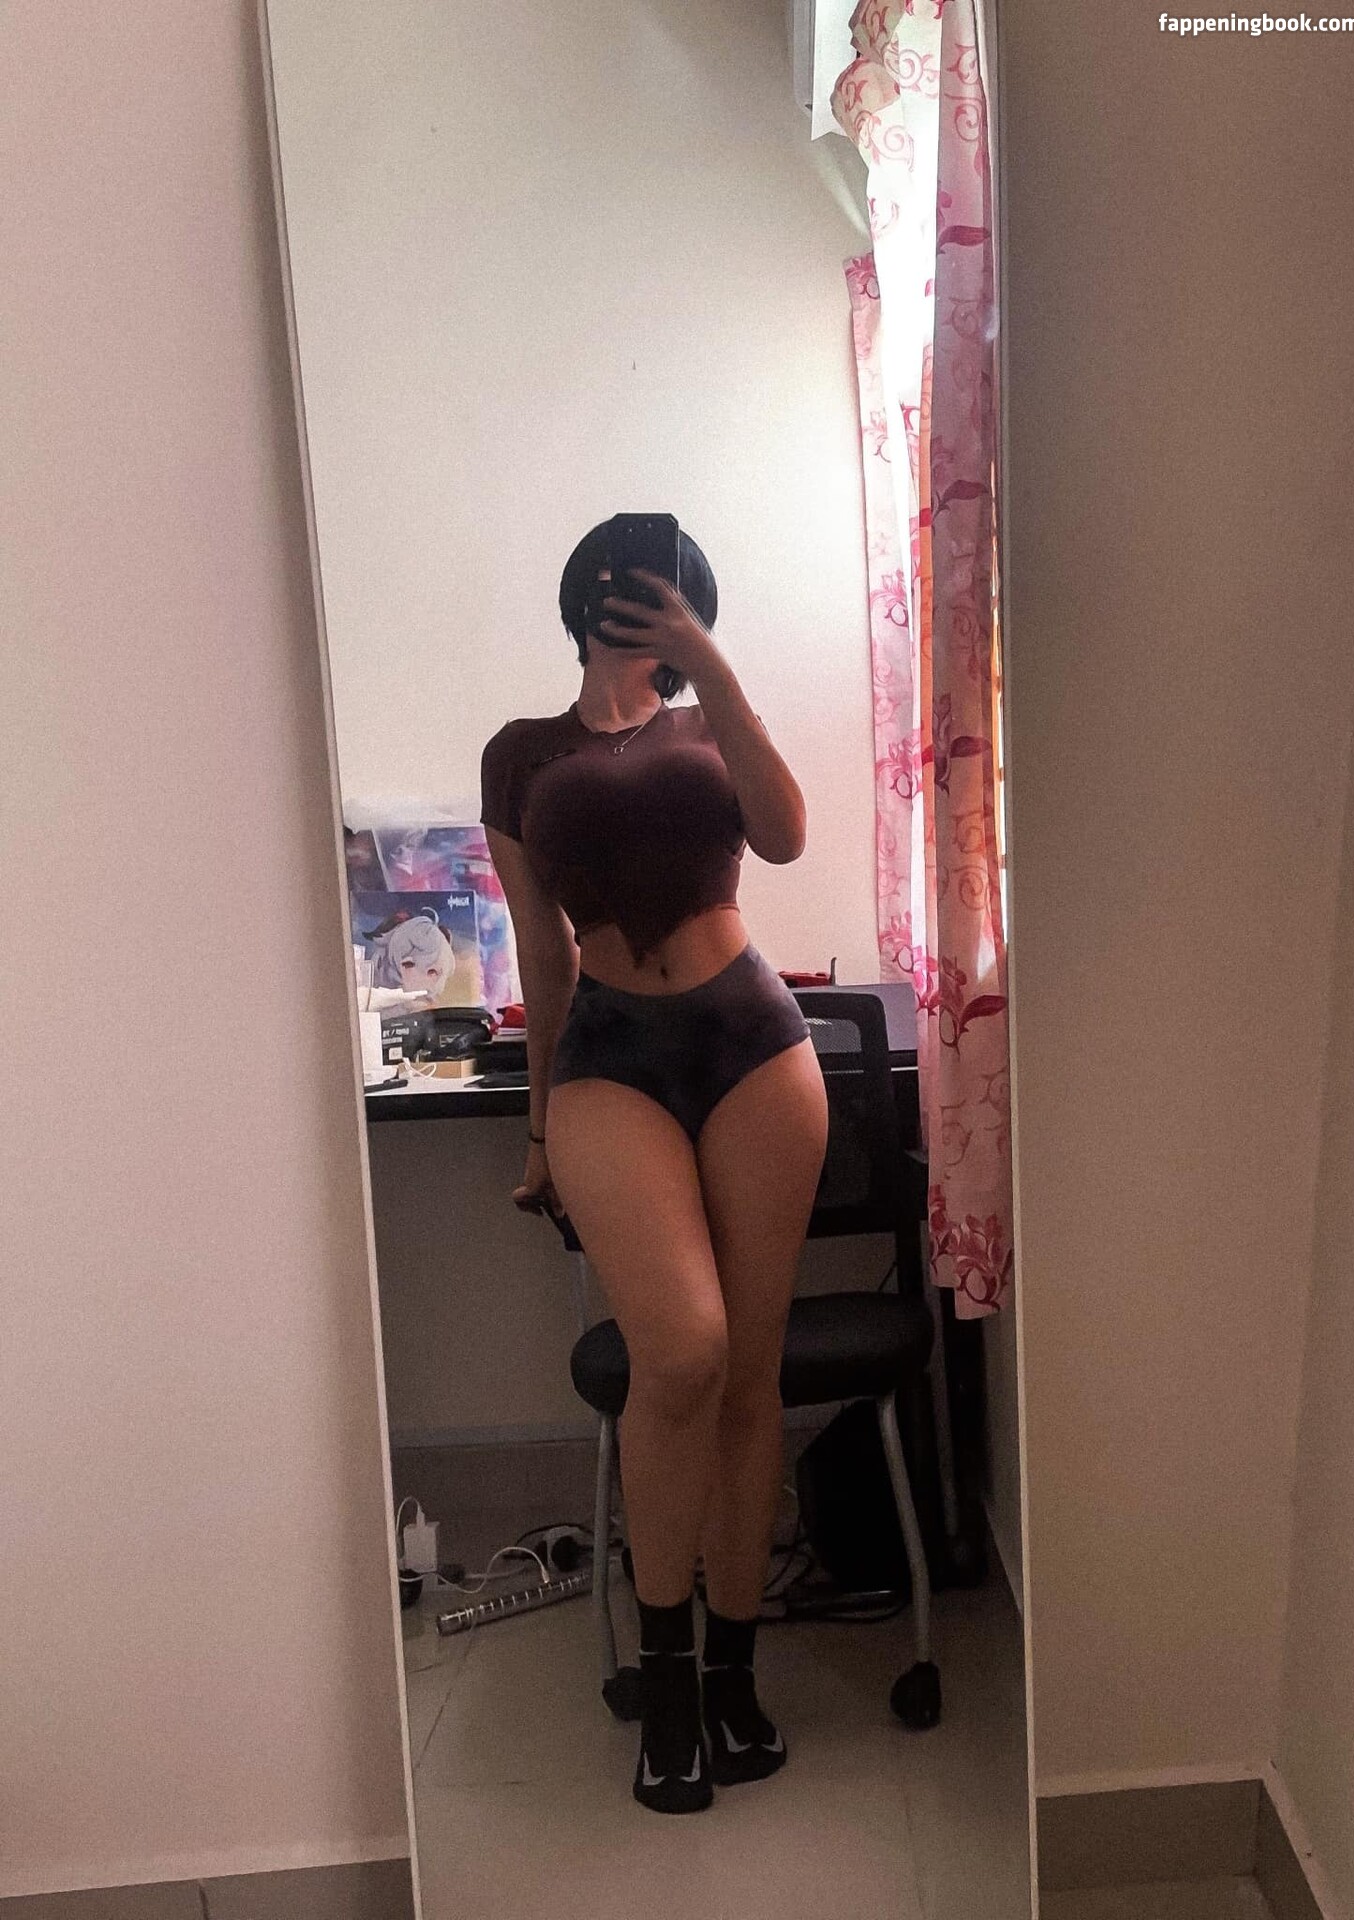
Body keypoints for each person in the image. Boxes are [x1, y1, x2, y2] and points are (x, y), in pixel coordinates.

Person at [479, 522, 829, 1815]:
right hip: (609, 1057)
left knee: (749, 1374)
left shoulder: (706, 724)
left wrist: (711, 666)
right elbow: (543, 951)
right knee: (681, 1354)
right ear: (585, 599)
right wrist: (536, 1130)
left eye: (672, 594)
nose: (646, 604)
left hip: (751, 1044)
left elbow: (784, 839)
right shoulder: (521, 754)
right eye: (628, 589)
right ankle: (665, 1677)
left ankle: (730, 1678)